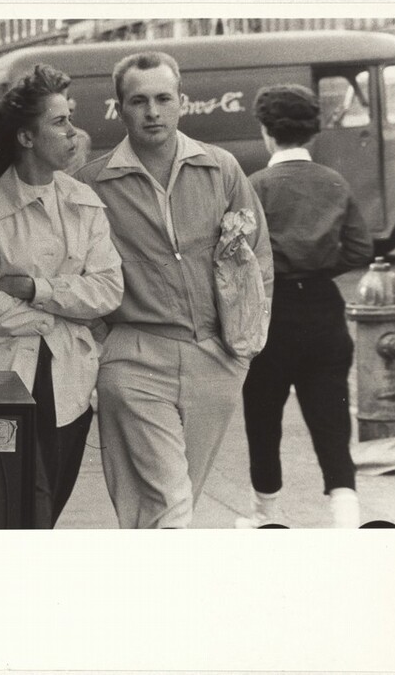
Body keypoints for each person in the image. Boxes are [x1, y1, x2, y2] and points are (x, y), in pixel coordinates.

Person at [75, 51, 273, 529]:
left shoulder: (220, 168)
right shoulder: (91, 184)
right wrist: (106, 347)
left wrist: (240, 350)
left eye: (164, 99)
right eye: (138, 101)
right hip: (134, 360)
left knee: (174, 504)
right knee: (170, 502)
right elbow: (77, 274)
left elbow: (257, 259)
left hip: (215, 357)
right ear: (119, 108)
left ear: (181, 102)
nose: (153, 112)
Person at [0, 64, 124, 529]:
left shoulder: (85, 203)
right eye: (60, 122)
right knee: (23, 508)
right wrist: (63, 311)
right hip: (2, 379)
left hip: (71, 380)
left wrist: (34, 289)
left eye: (71, 119)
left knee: (47, 509)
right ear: (27, 138)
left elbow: (109, 289)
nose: (74, 133)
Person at [236, 84, 373, 529]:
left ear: (266, 131)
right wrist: (320, 266)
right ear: (312, 132)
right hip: (323, 313)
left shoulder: (255, 186)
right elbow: (360, 249)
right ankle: (346, 512)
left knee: (263, 418)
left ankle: (267, 515)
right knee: (331, 417)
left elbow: (237, 256)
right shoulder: (334, 182)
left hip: (271, 316)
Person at [64, 97, 92, 173]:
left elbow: (81, 165)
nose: (68, 113)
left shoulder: (83, 137)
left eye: (71, 110)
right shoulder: (49, 135)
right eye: (66, 110)